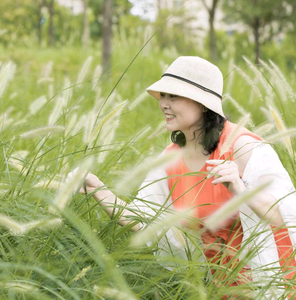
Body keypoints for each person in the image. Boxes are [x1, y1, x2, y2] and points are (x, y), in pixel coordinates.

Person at [68, 57, 296, 293]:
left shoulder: (242, 147)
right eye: (163, 96)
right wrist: (96, 188)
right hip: (218, 290)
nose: (163, 104)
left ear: (203, 103)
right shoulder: (169, 162)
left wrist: (240, 189)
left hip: (272, 285)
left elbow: (285, 215)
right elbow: (143, 221)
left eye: (173, 96)